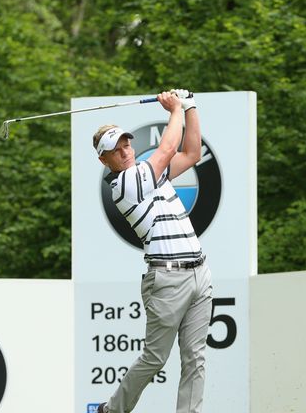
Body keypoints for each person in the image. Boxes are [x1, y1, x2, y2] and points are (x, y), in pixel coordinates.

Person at [92, 89, 212, 413]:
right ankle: (113, 410)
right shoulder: (126, 185)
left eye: (126, 143)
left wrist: (190, 106)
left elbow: (191, 152)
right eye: (115, 150)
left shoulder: (151, 175)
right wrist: (174, 108)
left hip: (199, 273)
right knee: (155, 357)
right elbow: (169, 146)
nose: (125, 151)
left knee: (195, 358)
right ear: (104, 160)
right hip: (167, 281)